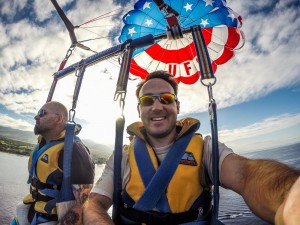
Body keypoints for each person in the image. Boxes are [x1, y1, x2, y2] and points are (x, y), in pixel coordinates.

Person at [83, 71, 300, 225]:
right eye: (148, 101)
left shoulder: (205, 149)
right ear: (139, 109)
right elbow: (94, 204)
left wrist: (289, 199)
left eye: (166, 99)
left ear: (177, 106)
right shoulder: (122, 156)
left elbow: (246, 175)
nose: (157, 106)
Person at [11, 101, 95, 225]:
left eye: (42, 113)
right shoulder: (42, 144)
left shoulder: (74, 150)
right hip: (31, 209)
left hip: (51, 219)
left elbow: (81, 203)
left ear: (58, 119)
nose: (36, 117)